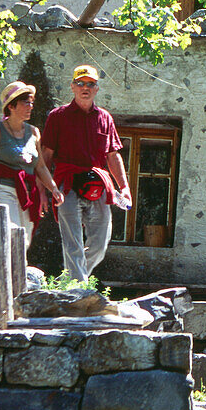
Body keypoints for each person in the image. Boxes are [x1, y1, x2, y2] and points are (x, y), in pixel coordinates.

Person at [41, 65, 132, 281]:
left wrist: (125, 187)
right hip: (67, 185)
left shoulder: (105, 118)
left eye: (90, 84)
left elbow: (113, 156)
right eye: (80, 83)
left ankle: (70, 281)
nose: (85, 88)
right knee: (73, 244)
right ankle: (77, 292)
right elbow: (46, 156)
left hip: (99, 186)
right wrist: (42, 190)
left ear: (97, 89)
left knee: (100, 244)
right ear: (72, 86)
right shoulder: (58, 116)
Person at [0, 81, 64, 246]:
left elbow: (39, 166)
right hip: (3, 191)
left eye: (32, 103)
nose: (31, 106)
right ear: (11, 106)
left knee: (25, 240)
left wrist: (53, 188)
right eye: (26, 102)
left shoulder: (33, 132)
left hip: (27, 194)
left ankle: (17, 272)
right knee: (11, 235)